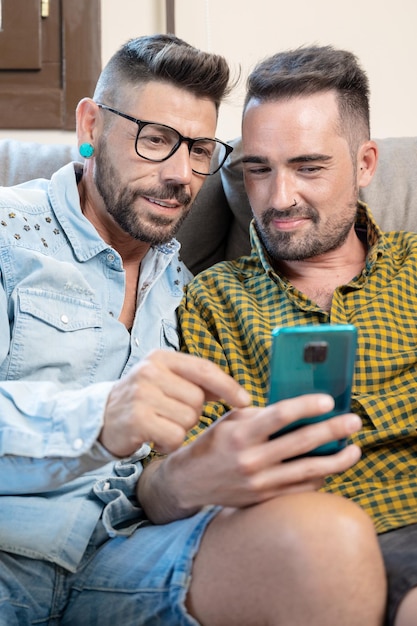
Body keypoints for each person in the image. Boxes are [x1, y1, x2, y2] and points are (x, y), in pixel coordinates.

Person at [0, 34, 386, 625]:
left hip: (127, 555)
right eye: (155, 139)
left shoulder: (184, 288)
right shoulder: (7, 236)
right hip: (11, 552)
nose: (182, 175)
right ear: (92, 125)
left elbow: (168, 482)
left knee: (326, 539)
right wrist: (99, 418)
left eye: (201, 150)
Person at [177, 43, 417, 626]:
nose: (279, 198)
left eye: (308, 167)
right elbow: (197, 471)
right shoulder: (214, 299)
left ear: (364, 164)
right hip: (305, 549)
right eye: (258, 169)